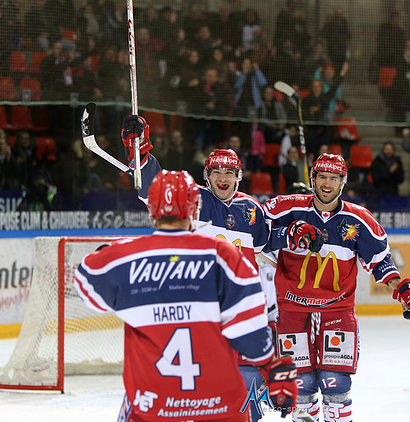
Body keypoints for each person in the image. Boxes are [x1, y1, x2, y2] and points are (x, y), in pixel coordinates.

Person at [73, 169, 298, 421]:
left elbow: (85, 284)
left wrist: (110, 252)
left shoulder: (127, 257)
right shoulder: (224, 255)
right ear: (195, 208)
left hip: (153, 406)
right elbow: (250, 335)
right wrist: (271, 368)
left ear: (152, 209)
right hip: (219, 406)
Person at [119, 115, 274, 421]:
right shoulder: (192, 200)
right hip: (197, 312)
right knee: (188, 394)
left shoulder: (252, 209)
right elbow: (153, 187)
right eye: (216, 171)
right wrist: (140, 152)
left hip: (238, 312)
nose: (223, 177)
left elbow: (269, 247)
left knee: (244, 398)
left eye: (230, 171)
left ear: (239, 176)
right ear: (206, 176)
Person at [263, 153, 410, 421]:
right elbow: (255, 232)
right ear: (312, 179)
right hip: (293, 311)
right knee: (301, 388)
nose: (327, 184)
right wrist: (288, 233)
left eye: (334, 178)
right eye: (322, 177)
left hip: (337, 311)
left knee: (335, 383)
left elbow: (380, 261)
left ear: (343, 182)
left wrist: (404, 289)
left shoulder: (359, 220)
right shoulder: (286, 209)